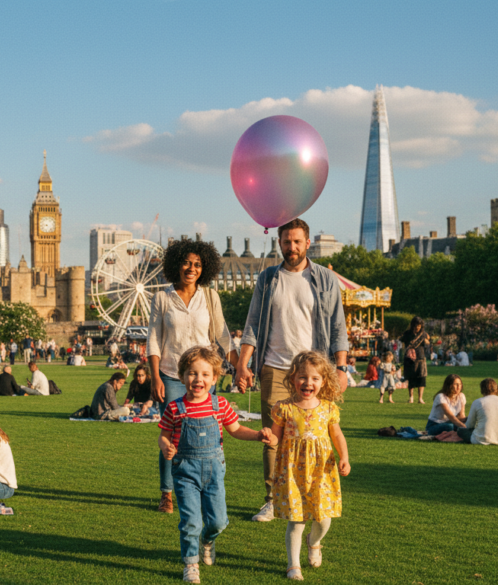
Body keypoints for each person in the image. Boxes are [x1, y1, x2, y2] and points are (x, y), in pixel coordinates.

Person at [233, 218, 348, 522]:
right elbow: (253, 325)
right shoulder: (269, 279)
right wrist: (243, 364)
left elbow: (338, 326)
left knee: (316, 435)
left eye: (297, 242)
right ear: (279, 243)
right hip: (275, 367)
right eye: (286, 242)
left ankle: (314, 494)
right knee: (273, 436)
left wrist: (341, 367)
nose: (292, 247)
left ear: (308, 243)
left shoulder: (325, 279)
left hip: (314, 372)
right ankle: (273, 498)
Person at [157, 346, 274, 583]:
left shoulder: (219, 405)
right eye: (192, 373)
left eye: (204, 374)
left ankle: (208, 540)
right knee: (190, 521)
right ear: (182, 376)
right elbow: (164, 434)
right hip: (185, 472)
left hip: (213, 472)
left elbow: (236, 429)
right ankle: (191, 564)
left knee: (218, 521)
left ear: (214, 378)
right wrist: (165, 446)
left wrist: (257, 435)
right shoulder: (174, 408)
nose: (198, 379)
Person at [147, 237, 236, 515]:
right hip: (172, 374)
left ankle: (205, 484)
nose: (191, 268)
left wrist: (239, 366)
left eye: (197, 264)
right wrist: (155, 377)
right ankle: (167, 492)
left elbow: (222, 334)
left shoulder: (210, 297)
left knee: (207, 432)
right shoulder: (162, 298)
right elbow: (153, 339)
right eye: (186, 262)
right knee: (173, 436)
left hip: (205, 376)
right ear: (176, 264)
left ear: (204, 268)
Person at [269, 351, 349, 581]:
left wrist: (344, 457)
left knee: (323, 519)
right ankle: (293, 564)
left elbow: (337, 435)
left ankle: (314, 542)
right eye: (303, 377)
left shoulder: (327, 408)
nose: (308, 382)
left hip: (321, 471)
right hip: (292, 471)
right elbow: (276, 437)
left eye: (315, 378)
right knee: (297, 519)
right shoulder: (283, 408)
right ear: (293, 378)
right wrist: (268, 437)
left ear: (323, 381)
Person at [459, 378, 498, 445]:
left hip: (481, 440)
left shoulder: (477, 402)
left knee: (461, 430)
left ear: (482, 389)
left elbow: (469, 425)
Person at [400, 317, 431, 404]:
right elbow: (402, 342)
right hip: (409, 358)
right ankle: (411, 398)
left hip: (420, 357)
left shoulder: (424, 334)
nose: (417, 327)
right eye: (416, 325)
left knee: (421, 378)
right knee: (411, 378)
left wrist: (427, 341)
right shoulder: (407, 334)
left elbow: (428, 344)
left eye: (419, 325)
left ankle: (420, 398)